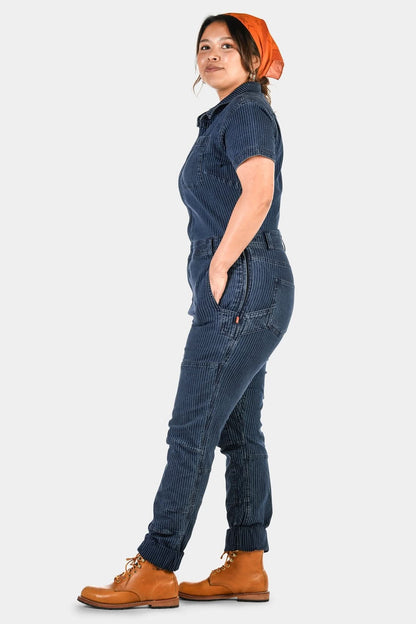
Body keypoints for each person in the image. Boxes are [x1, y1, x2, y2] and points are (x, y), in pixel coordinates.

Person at [78, 12, 295, 609]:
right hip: (254, 286)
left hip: (243, 282)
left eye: (228, 45)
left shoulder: (247, 112)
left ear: (254, 59)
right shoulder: (230, 116)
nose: (213, 54)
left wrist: (220, 264)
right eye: (204, 45)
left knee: (191, 427)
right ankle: (247, 562)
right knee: (238, 429)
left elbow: (259, 191)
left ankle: (155, 565)